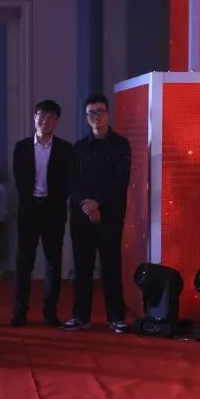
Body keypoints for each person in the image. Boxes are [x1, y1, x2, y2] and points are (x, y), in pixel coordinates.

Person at [64, 94, 132, 333]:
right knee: (82, 268)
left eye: (100, 112)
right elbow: (72, 182)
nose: (96, 117)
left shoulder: (121, 145)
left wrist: (98, 203)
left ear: (108, 114)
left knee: (111, 266)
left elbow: (120, 181)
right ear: (86, 118)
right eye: (91, 113)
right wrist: (86, 205)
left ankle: (116, 318)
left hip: (110, 215)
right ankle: (81, 316)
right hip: (82, 216)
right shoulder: (79, 148)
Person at [11, 100, 71, 327]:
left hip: (53, 210)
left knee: (53, 261)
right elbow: (19, 178)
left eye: (51, 117)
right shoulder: (22, 147)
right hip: (29, 209)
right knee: (23, 261)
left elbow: (67, 181)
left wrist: (56, 199)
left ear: (56, 121)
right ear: (34, 117)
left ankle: (49, 311)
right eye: (42, 116)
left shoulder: (65, 149)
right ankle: (20, 311)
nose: (45, 120)